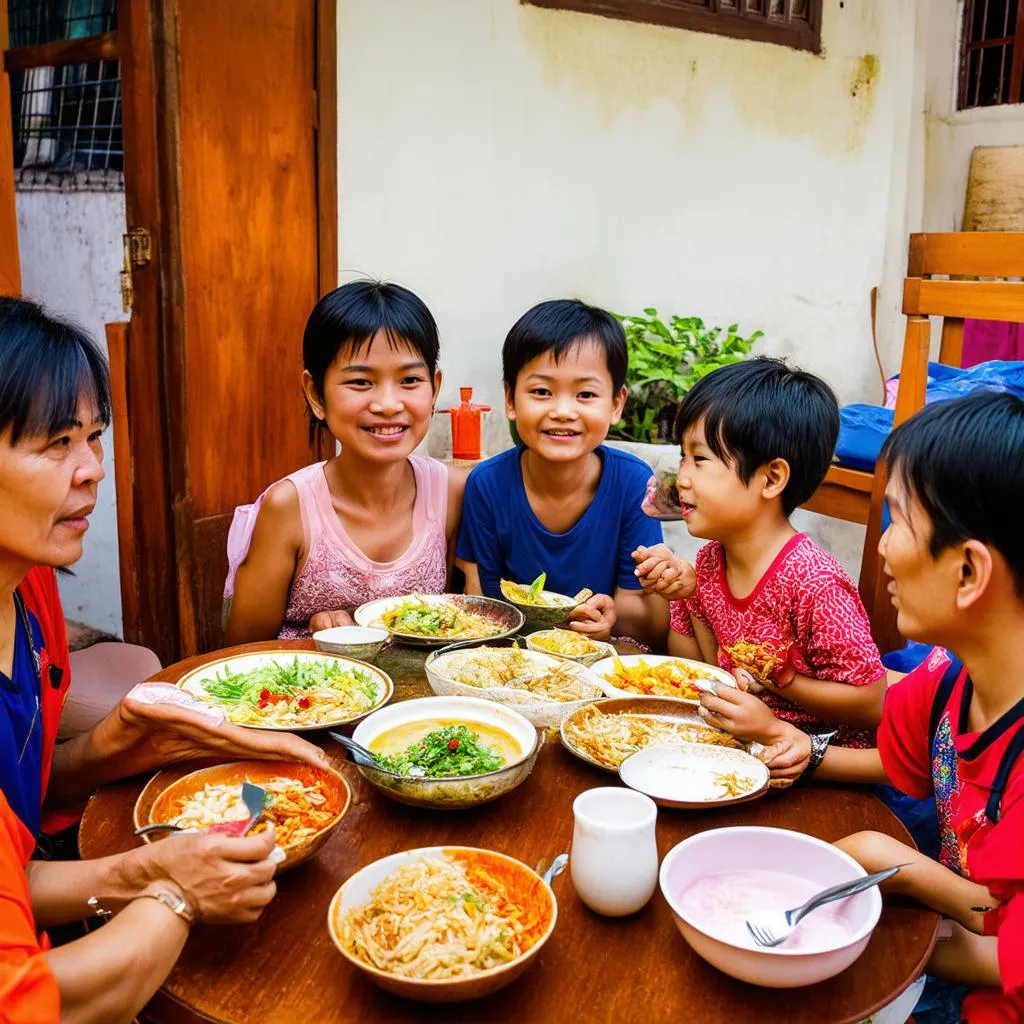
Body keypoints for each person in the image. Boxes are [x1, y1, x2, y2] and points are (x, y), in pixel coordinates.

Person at [0, 297, 324, 1021]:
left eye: (94, 437)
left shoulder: (31, 590)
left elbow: (14, 857)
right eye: (56, 443)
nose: (91, 470)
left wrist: (109, 745)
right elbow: (25, 1004)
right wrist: (170, 888)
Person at [744, 392, 1024, 1024]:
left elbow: (1006, 954)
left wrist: (904, 875)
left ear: (969, 571)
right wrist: (803, 750)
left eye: (898, 520)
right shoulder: (949, 679)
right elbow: (895, 746)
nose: (885, 547)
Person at [634, 357, 886, 745]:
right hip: (737, 746)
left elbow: (872, 702)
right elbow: (701, 667)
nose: (681, 477)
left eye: (699, 459)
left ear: (771, 478)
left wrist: (786, 680)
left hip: (811, 765)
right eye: (682, 456)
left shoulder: (815, 584)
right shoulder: (710, 560)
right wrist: (685, 596)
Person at [225, 280, 466, 641]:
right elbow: (242, 650)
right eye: (360, 382)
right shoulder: (290, 507)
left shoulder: (451, 492)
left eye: (410, 380)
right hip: (310, 692)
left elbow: (467, 620)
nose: (387, 404)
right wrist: (318, 635)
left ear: (434, 387)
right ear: (315, 393)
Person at [456, 299, 666, 645]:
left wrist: (610, 620)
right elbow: (483, 605)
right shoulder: (488, 485)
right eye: (541, 392)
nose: (563, 411)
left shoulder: (633, 484)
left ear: (616, 404)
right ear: (510, 399)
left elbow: (642, 619)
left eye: (585, 394)